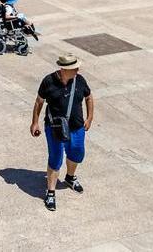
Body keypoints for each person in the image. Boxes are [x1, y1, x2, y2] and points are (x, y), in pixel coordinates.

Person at [31, 54, 95, 212]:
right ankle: (51, 192)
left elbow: (89, 97)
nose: (77, 70)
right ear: (64, 69)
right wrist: (34, 122)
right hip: (55, 127)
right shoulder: (49, 81)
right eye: (74, 68)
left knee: (77, 153)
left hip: (77, 127)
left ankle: (70, 177)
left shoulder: (79, 81)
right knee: (55, 158)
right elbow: (39, 101)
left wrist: (90, 117)